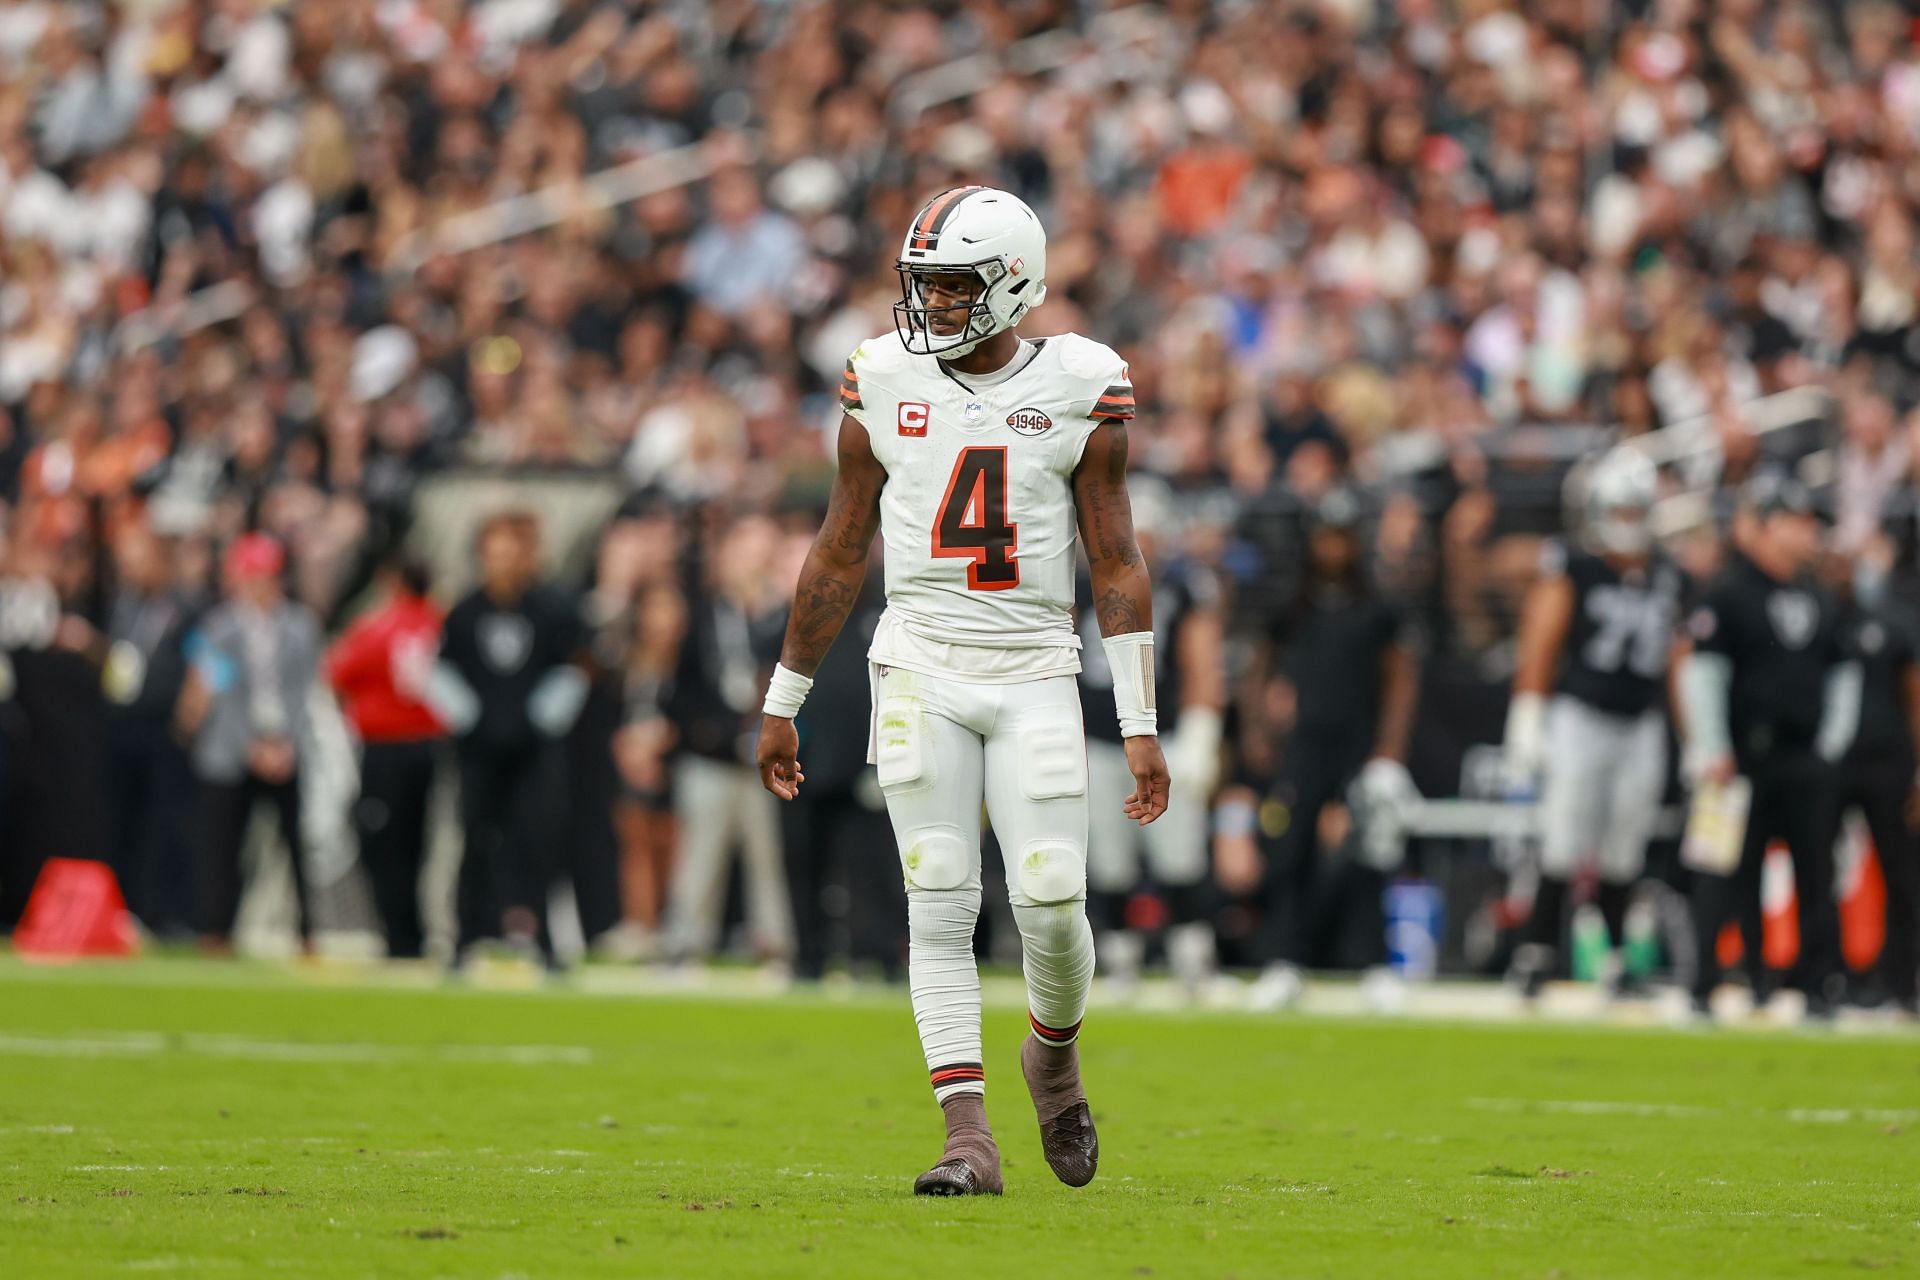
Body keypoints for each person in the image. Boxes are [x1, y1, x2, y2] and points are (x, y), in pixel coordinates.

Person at [754, 186, 1169, 1197]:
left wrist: (1140, 715)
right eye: (924, 285)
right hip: (920, 661)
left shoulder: (1082, 382)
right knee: (938, 890)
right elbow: (840, 548)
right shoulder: (881, 374)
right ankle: (966, 1132)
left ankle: (1053, 1054)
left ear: (1015, 283)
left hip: (1033, 666)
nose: (932, 306)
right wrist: (784, 692)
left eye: (953, 285)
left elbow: (1115, 560)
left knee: (1053, 897)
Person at [1675, 474, 1860, 1020]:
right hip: (1736, 758)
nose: (1806, 536)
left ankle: (1817, 984)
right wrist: (1710, 747)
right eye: (1796, 523)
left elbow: (1842, 674)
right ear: (1765, 525)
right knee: (1718, 872)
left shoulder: (1819, 597)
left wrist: (1830, 746)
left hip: (1802, 754)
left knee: (1816, 872)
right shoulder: (1728, 591)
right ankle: (1706, 981)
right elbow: (1701, 673)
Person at [1503, 448, 1684, 999]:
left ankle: (1617, 961)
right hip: (1581, 714)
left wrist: (1696, 738)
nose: (1628, 524)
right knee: (1564, 835)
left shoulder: (1667, 574)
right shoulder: (1574, 566)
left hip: (1640, 719)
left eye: (1636, 511)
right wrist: (1527, 716)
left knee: (1624, 844)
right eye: (1621, 511)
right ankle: (1536, 954)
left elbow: (1677, 657)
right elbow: (1540, 641)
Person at [1246, 488, 1420, 1011]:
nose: (1333, 548)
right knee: (1290, 850)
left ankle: (1376, 965)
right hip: (1304, 745)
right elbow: (1258, 668)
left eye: (1342, 537)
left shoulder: (1376, 608)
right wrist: (1259, 728)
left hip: (1359, 744)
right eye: (1326, 537)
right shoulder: (1293, 605)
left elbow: (1399, 680)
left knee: (1371, 855)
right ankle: (1284, 962)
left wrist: (1389, 749)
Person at [1075, 487, 1226, 998]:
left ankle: (1192, 961)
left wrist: (1203, 732)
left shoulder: (1182, 586)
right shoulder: (1079, 581)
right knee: (1108, 860)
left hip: (1166, 737)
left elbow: (1202, 662)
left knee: (1180, 857)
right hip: (1097, 736)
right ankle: (1118, 962)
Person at [429, 513, 587, 969]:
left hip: (534, 753)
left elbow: (571, 669)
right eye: (494, 553)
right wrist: (472, 720)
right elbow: (442, 672)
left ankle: (545, 943)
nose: (503, 563)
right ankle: (465, 939)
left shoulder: (551, 610)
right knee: (474, 841)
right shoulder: (464, 612)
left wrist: (538, 721)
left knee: (539, 844)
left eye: (512, 553)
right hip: (478, 754)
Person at [176, 534, 322, 954]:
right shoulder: (218, 629)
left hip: (285, 749)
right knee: (222, 848)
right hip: (230, 752)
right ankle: (217, 930)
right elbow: (218, 694)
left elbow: (302, 692)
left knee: (296, 845)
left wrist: (285, 743)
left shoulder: (300, 626)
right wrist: (250, 746)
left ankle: (308, 932)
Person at [1815, 537, 1919, 1015]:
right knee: (1819, 871)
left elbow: (1914, 695)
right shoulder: (1816, 616)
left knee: (1901, 873)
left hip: (1887, 762)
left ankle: (1898, 980)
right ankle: (1827, 975)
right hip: (1830, 763)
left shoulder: (1895, 619)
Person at [325, 554, 444, 960]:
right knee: (417, 843)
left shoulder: (380, 626)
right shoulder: (440, 624)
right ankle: (415, 931)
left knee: (383, 843)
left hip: (385, 749)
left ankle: (399, 936)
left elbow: (336, 671)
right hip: (429, 748)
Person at [100, 521, 197, 937]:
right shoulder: (124, 605)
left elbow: (211, 664)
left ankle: (165, 913)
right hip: (123, 724)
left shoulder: (186, 609)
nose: (131, 570)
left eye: (139, 561)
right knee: (122, 820)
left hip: (164, 728)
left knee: (165, 822)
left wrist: (190, 713)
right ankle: (126, 907)